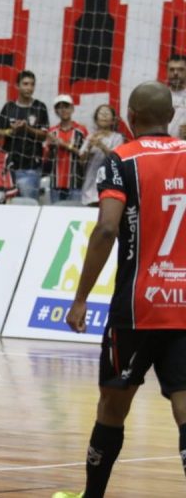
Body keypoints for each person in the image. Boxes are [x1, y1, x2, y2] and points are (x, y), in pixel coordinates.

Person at [54, 81, 186, 498]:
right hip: (184, 305)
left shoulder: (121, 159)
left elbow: (107, 227)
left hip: (137, 306)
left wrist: (80, 299)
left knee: (113, 405)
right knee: (185, 407)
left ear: (130, 115)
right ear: (171, 116)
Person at [0, 70, 49, 200]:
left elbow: (44, 135)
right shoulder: (9, 107)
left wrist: (27, 128)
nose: (29, 88)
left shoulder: (39, 107)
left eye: (32, 84)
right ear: (17, 86)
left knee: (29, 206)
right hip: (9, 167)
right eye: (25, 84)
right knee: (8, 206)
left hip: (31, 167)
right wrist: (11, 131)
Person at [44, 94, 88, 203]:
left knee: (75, 216)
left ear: (72, 108)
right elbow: (45, 160)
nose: (63, 110)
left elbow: (85, 157)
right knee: (55, 216)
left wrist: (65, 145)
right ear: (56, 111)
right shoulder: (51, 132)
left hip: (76, 183)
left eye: (66, 106)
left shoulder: (81, 131)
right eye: (60, 107)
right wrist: (49, 147)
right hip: (55, 183)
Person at [79, 105, 124, 207]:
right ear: (95, 119)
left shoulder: (117, 137)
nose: (104, 115)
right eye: (101, 113)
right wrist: (89, 147)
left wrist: (101, 146)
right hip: (90, 186)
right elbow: (81, 161)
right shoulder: (90, 137)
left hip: (109, 184)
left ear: (113, 120)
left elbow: (116, 159)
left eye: (107, 113)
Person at [166, 54, 186, 139]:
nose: (175, 73)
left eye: (180, 69)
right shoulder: (159, 95)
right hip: (163, 147)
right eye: (172, 69)